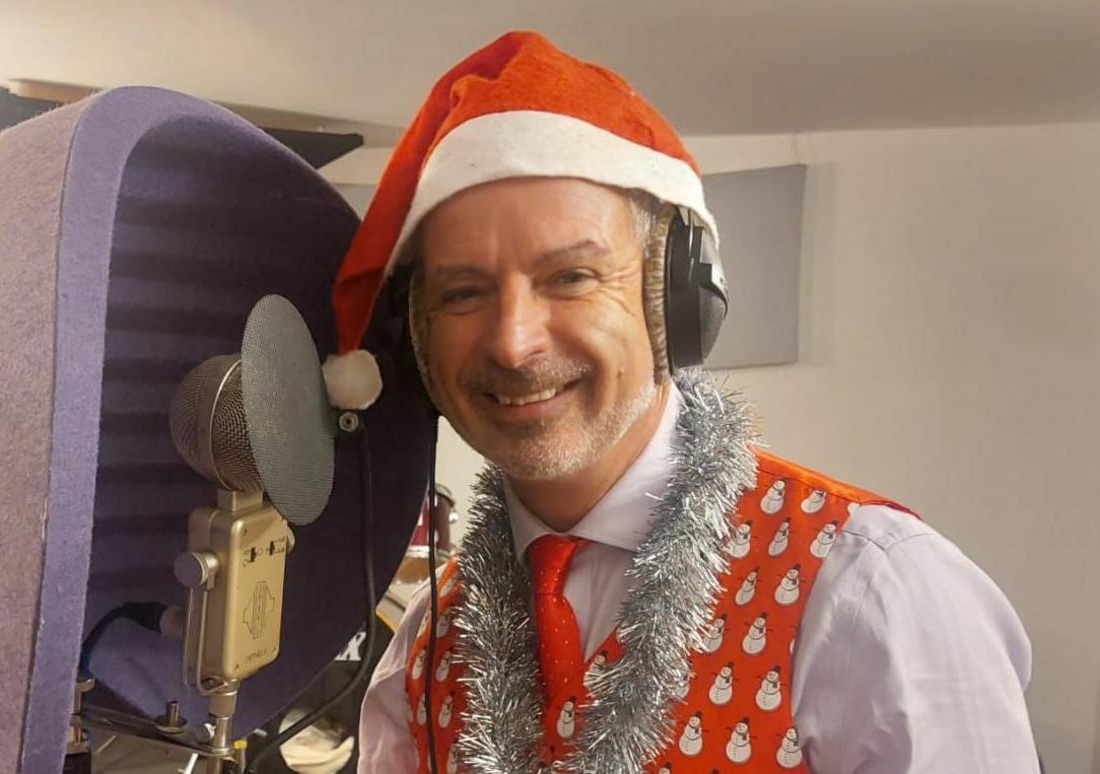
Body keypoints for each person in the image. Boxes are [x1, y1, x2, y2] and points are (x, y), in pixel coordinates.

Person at [319, 31, 1038, 773]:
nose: (512, 343)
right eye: (463, 292)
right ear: (415, 342)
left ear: (677, 303)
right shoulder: (424, 652)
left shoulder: (874, 596)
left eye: (570, 277)